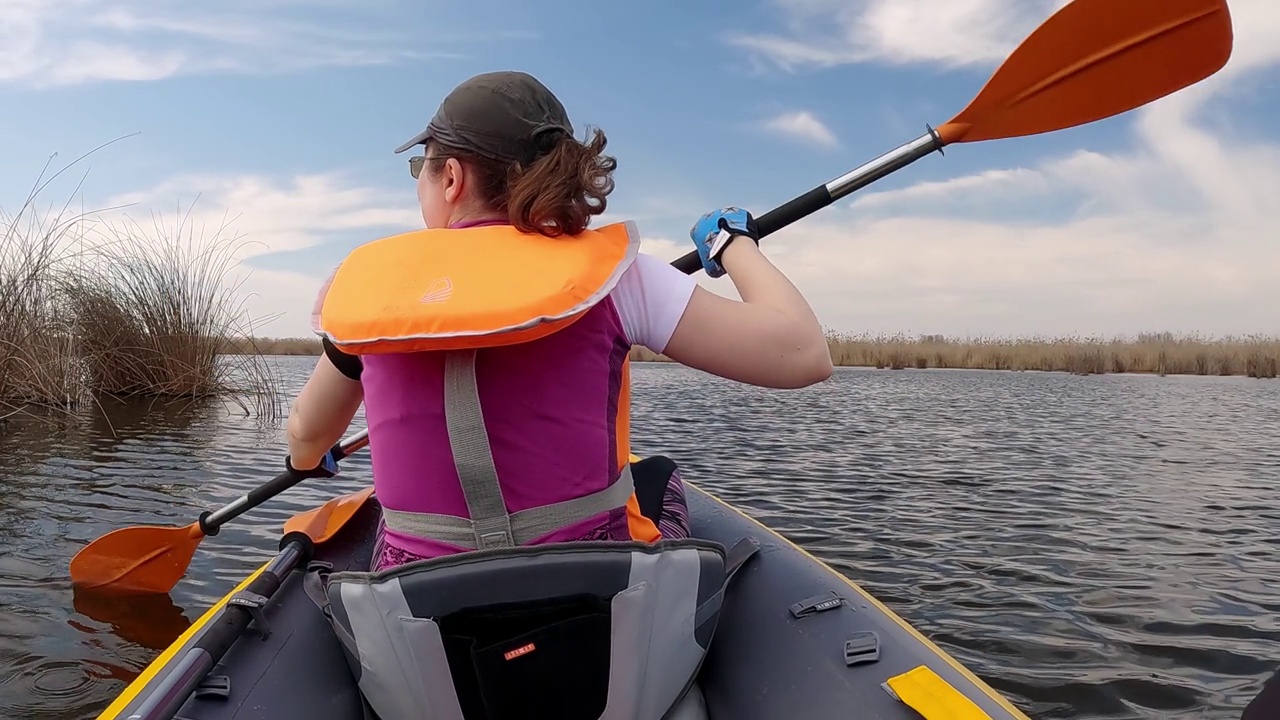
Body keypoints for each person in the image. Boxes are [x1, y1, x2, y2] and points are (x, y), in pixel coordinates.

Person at [285, 70, 832, 572]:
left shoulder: (370, 297)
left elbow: (305, 442)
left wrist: (320, 450)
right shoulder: (623, 280)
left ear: (450, 177)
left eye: (419, 169)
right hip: (590, 599)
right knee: (658, 477)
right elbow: (804, 354)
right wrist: (731, 241)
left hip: (417, 619)